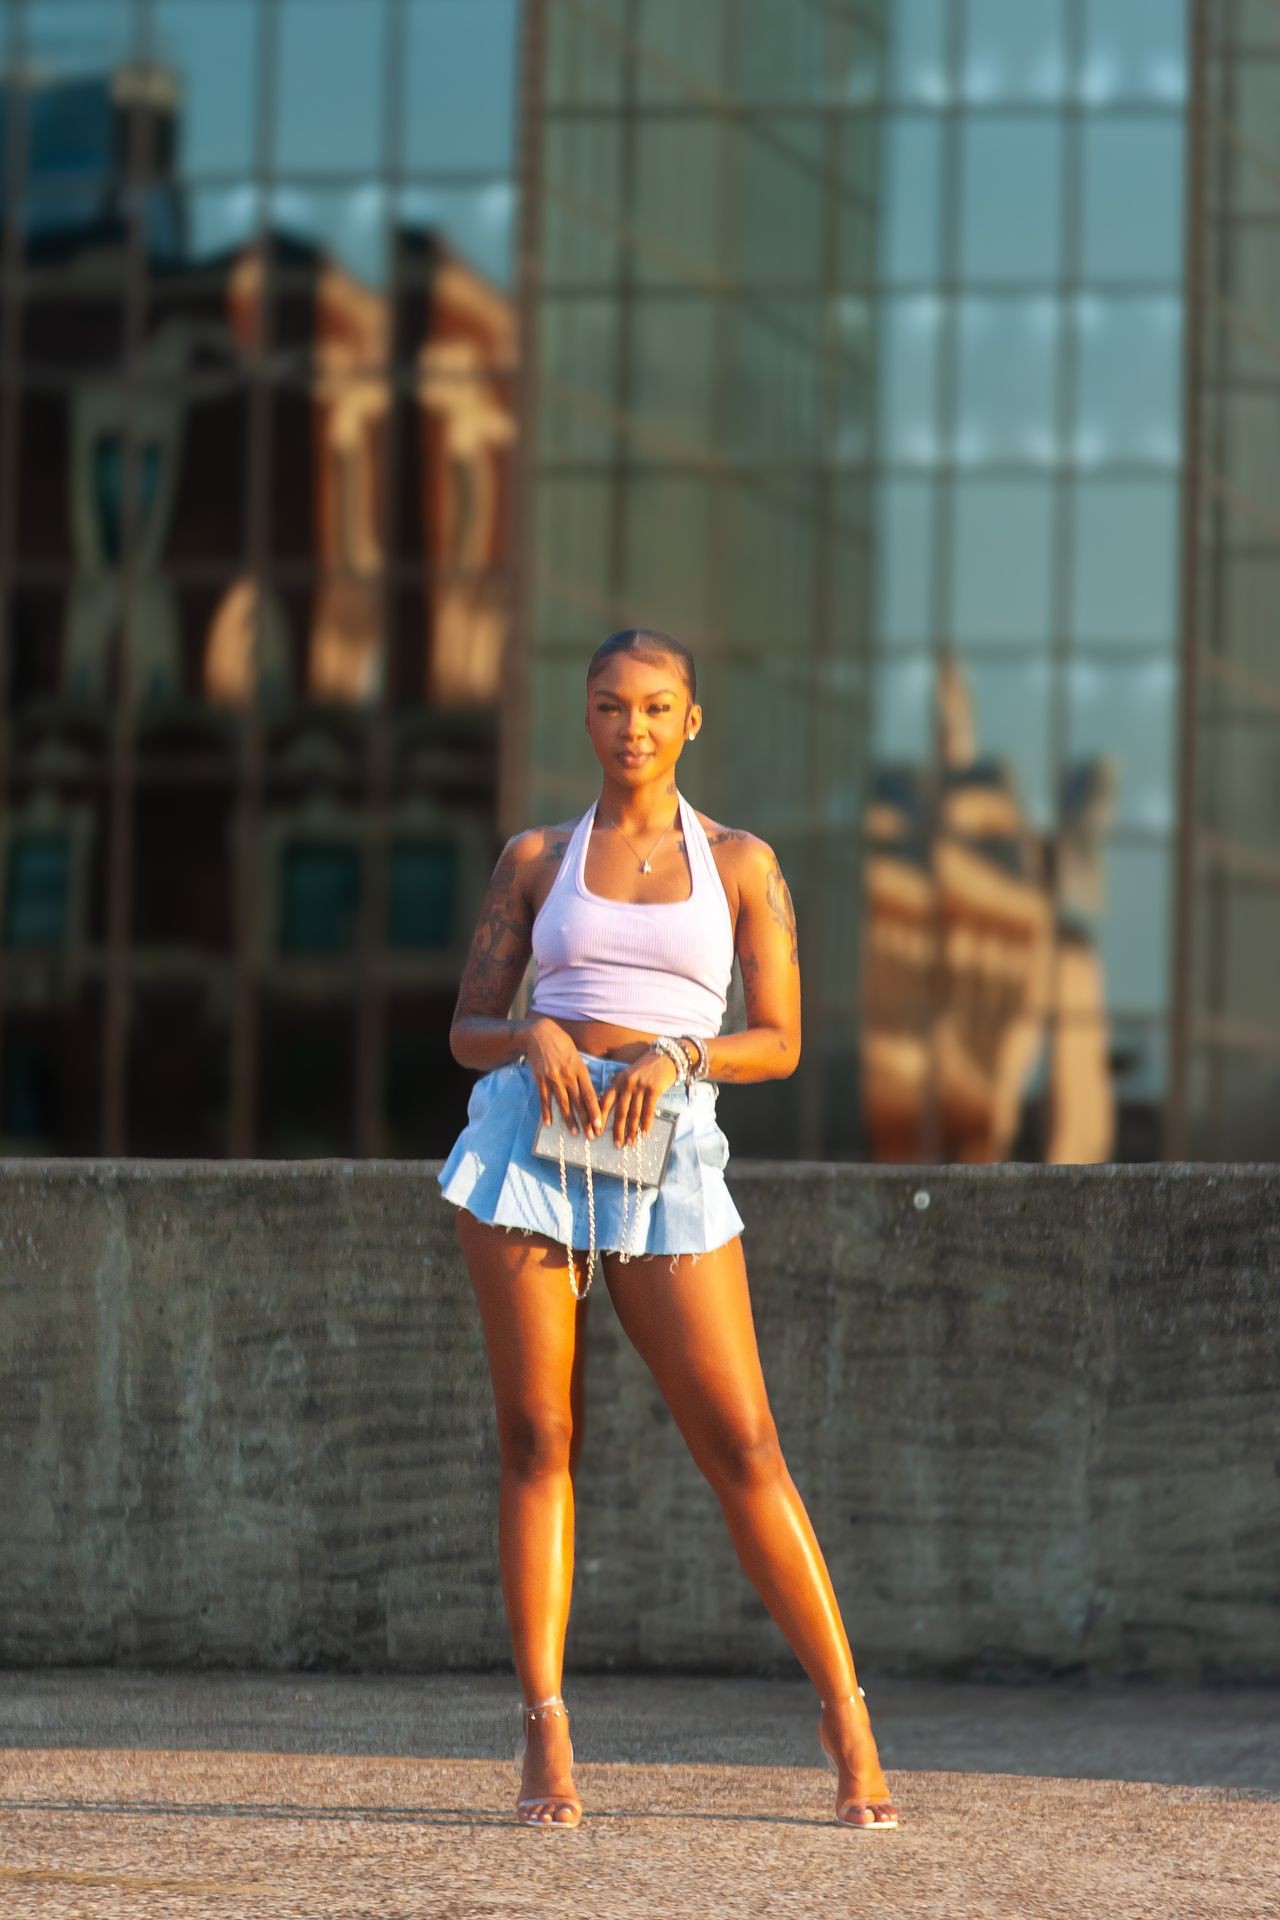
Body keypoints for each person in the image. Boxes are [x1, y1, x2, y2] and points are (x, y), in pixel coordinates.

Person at [438, 627, 899, 1833]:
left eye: (652, 707)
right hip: (526, 1151)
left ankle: (843, 1712)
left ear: (691, 720)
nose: (628, 727)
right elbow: (465, 1028)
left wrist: (680, 1049)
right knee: (538, 1434)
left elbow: (780, 1038)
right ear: (581, 717)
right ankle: (544, 1734)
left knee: (742, 1442)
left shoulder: (741, 864)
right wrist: (532, 1033)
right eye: (606, 706)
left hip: (664, 1155)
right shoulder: (535, 858)